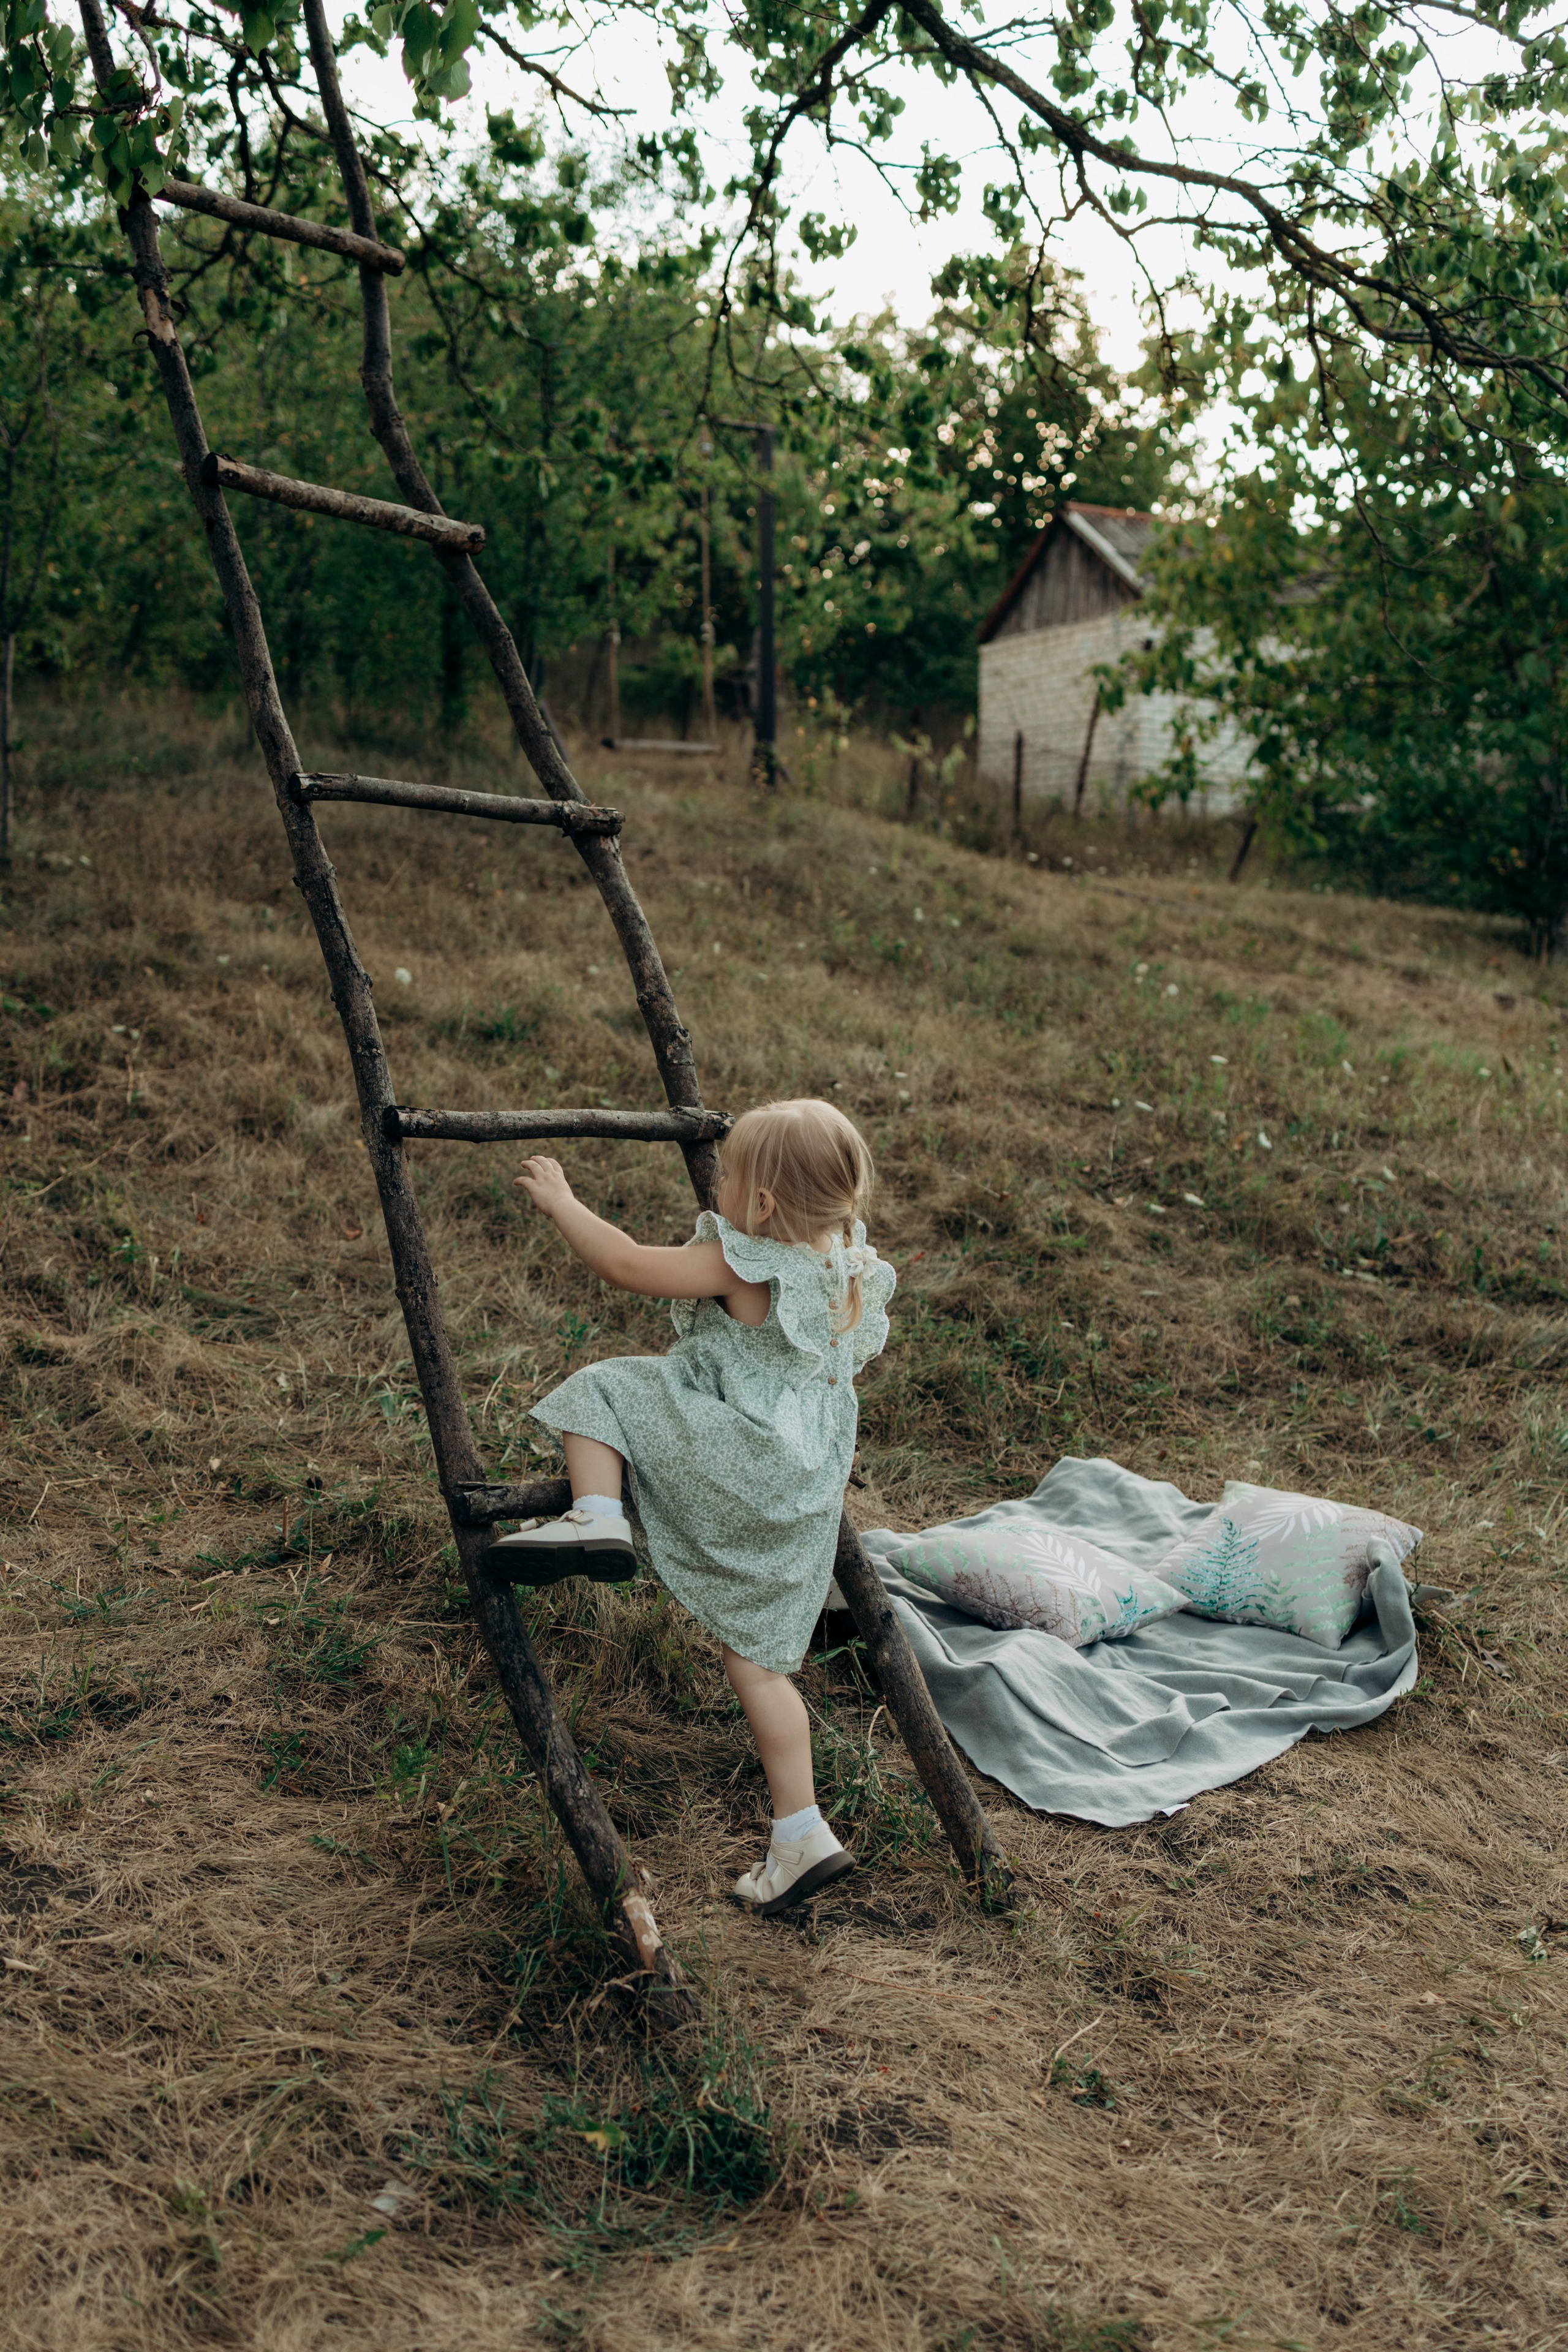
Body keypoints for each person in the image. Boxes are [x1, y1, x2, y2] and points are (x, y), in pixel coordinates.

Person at [491, 1097, 895, 1918]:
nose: (720, 1188)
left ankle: (596, 1515)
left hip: (743, 1456)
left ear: (765, 1203)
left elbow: (629, 1265)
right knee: (759, 1663)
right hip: (804, 1480)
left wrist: (564, 1204)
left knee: (606, 1389)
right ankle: (802, 1832)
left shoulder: (749, 1262)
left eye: (731, 1176)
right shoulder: (844, 1262)